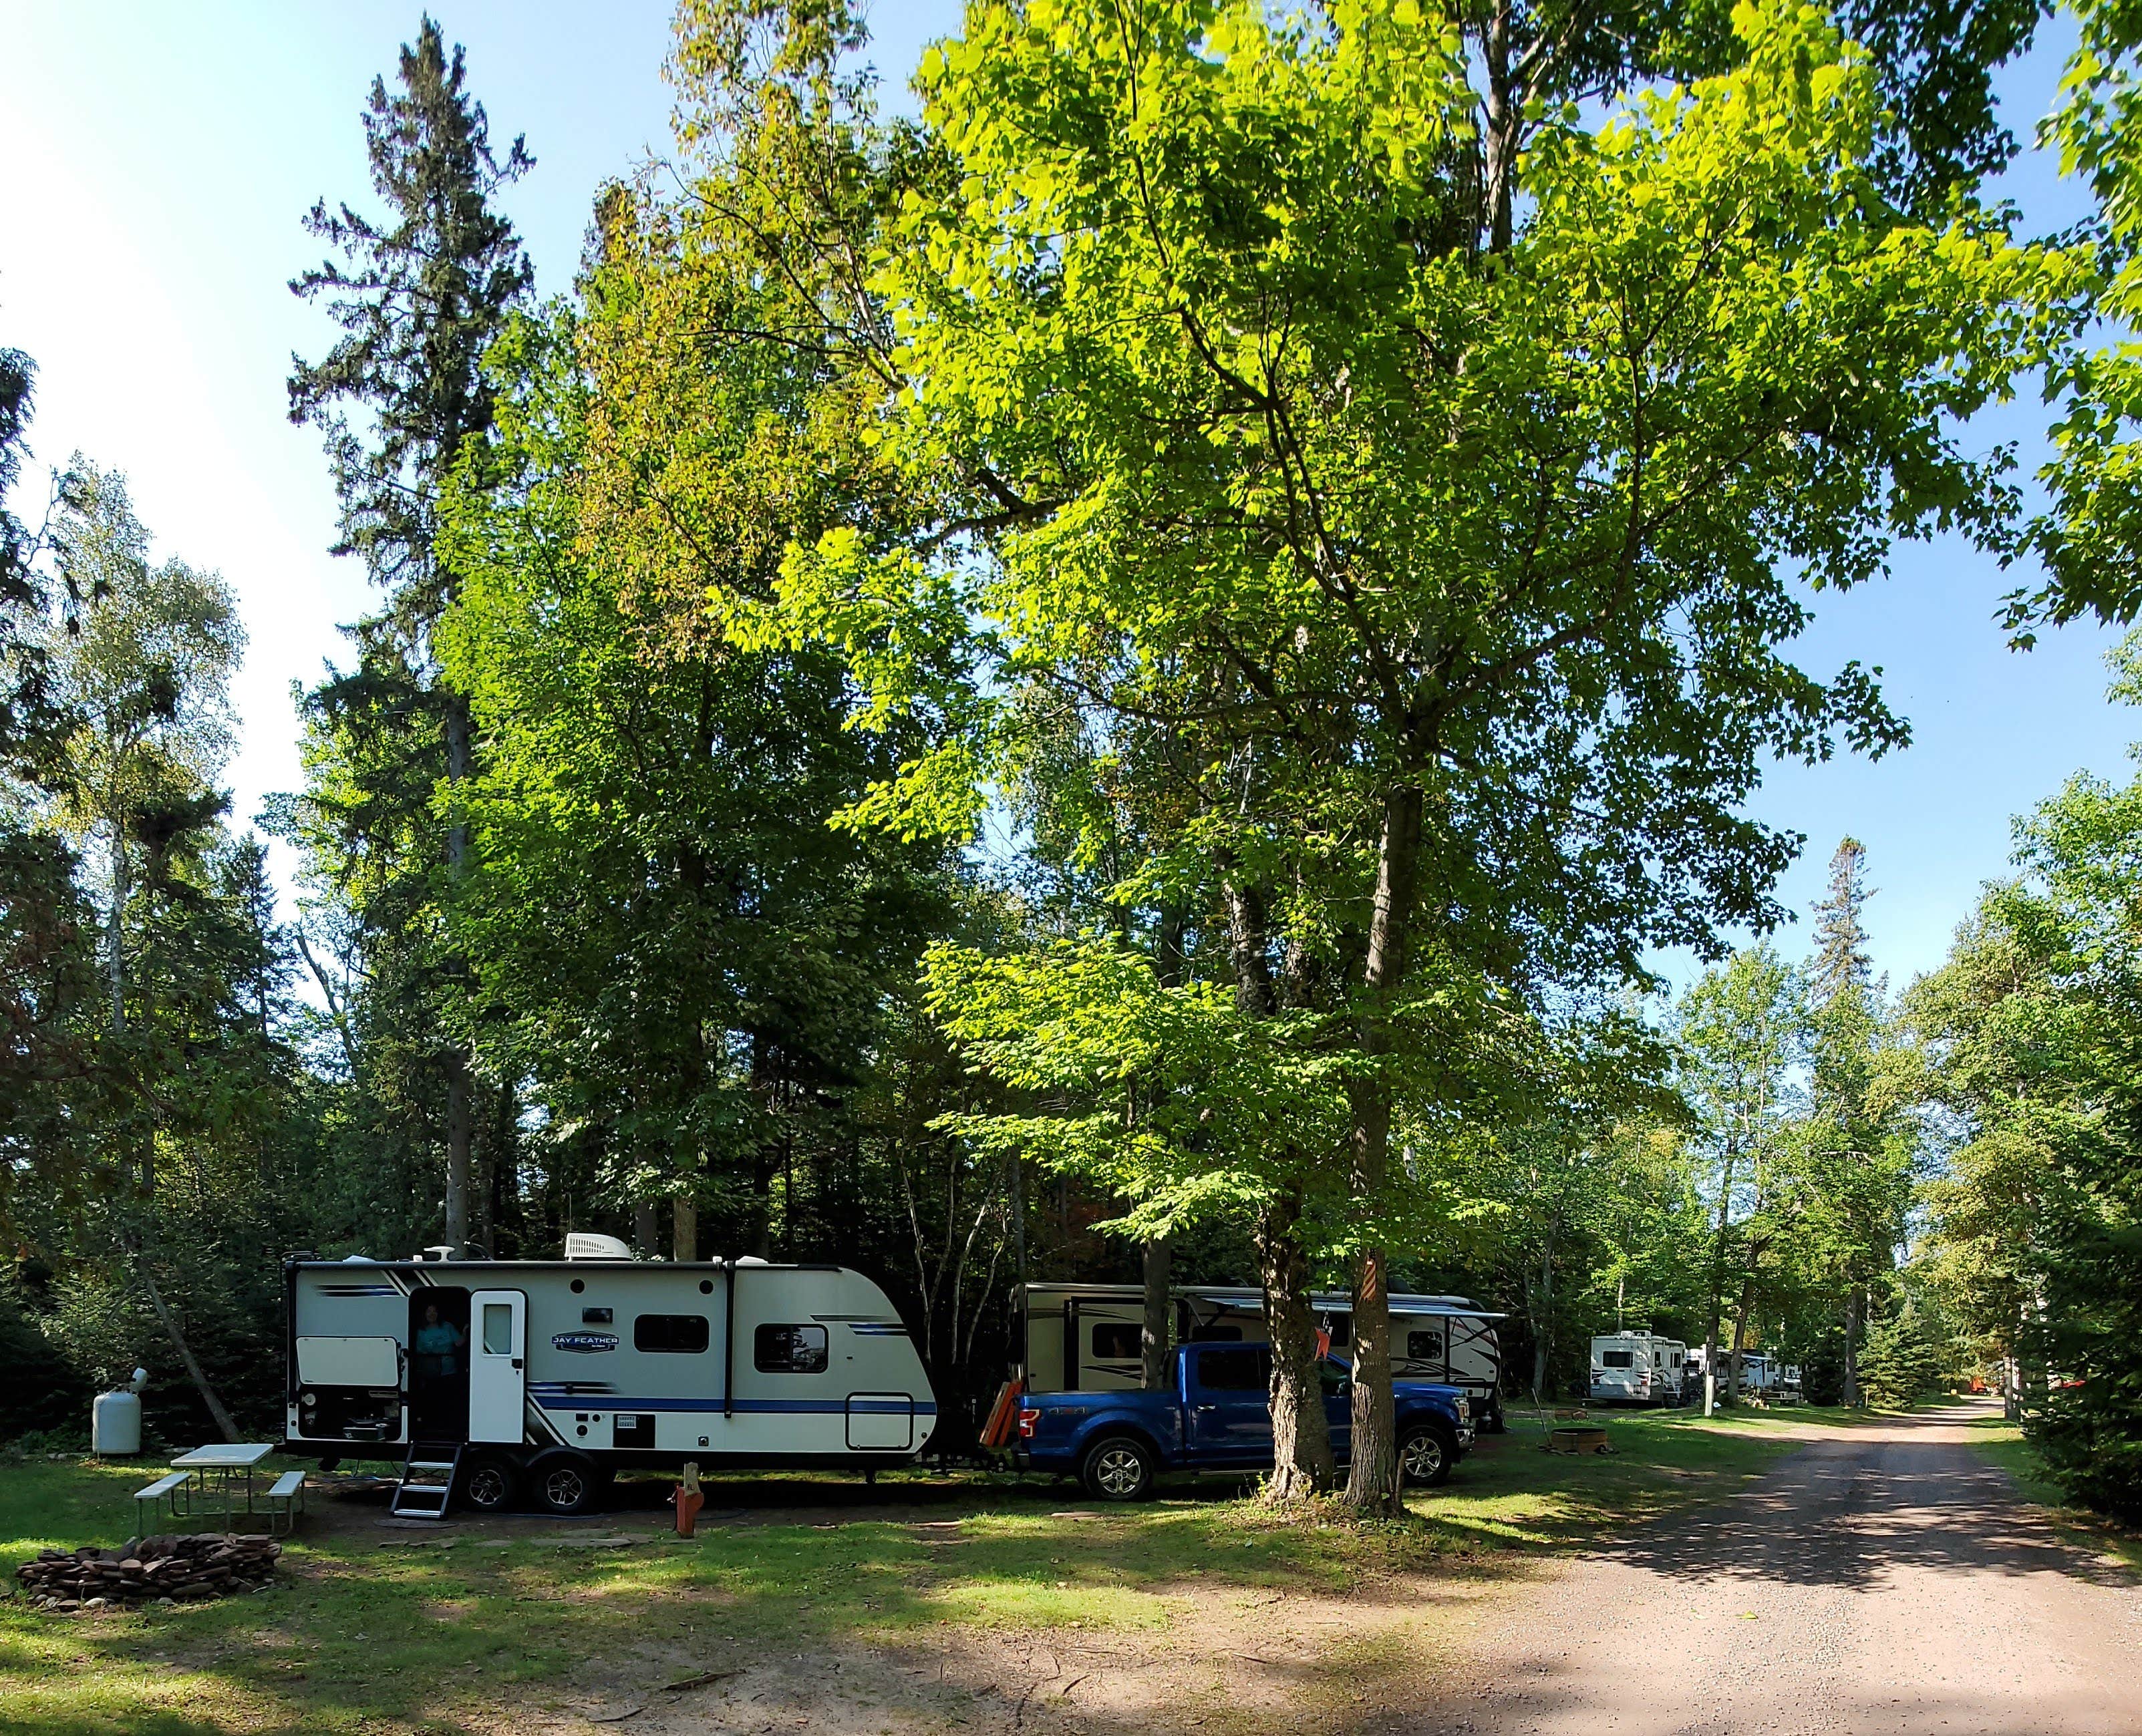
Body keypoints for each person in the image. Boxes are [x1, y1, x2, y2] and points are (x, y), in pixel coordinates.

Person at [413, 1303, 466, 1382]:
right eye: (429, 1311)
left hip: (449, 1371)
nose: (432, 1314)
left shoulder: (448, 1326)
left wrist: (465, 1332)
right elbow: (419, 1351)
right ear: (424, 1314)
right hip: (429, 1372)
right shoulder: (420, 1331)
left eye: (435, 1311)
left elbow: (459, 1343)